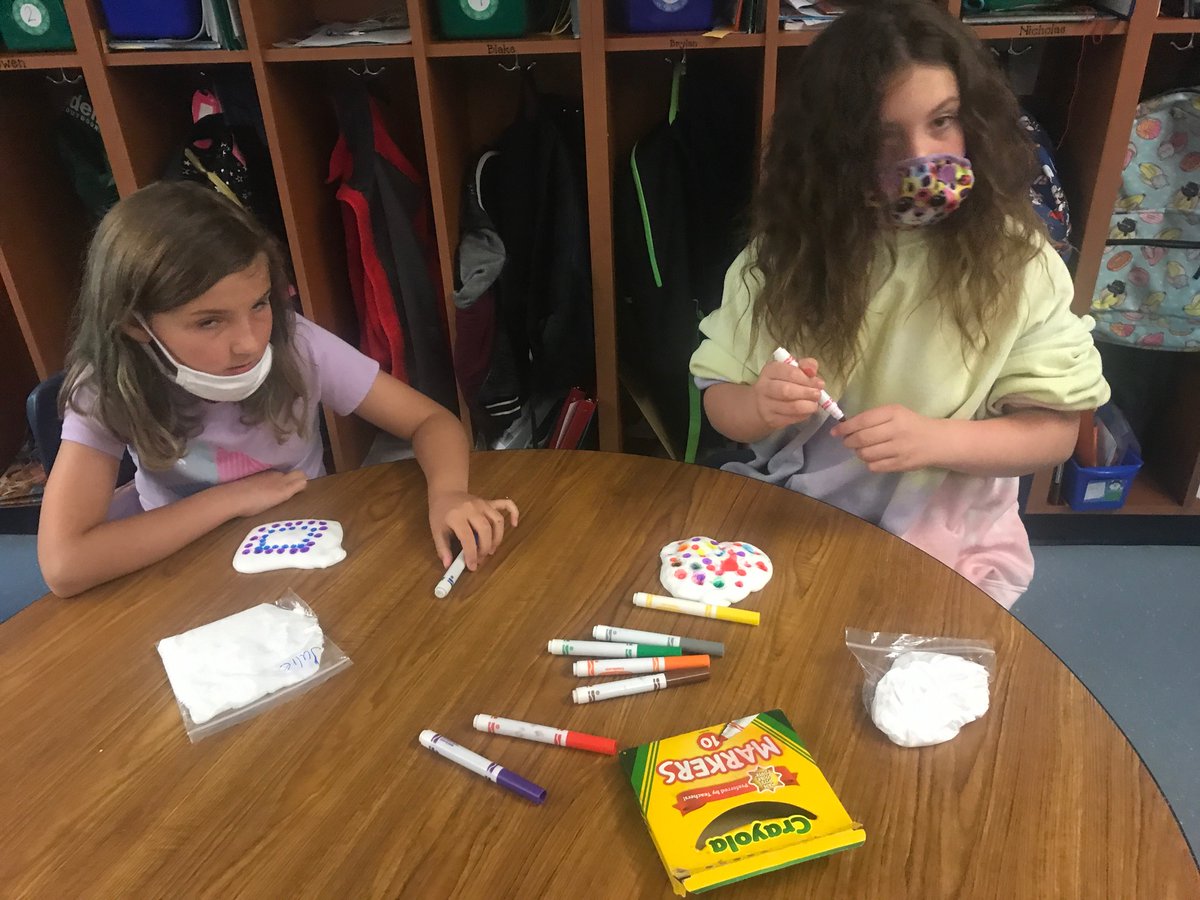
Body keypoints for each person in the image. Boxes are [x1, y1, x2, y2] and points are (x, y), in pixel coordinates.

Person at [690, 0, 1108, 607]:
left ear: (977, 123)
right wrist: (759, 405)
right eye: (884, 137)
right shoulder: (781, 258)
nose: (918, 158)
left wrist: (936, 441)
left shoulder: (1020, 263)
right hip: (803, 517)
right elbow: (719, 398)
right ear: (835, 149)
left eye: (942, 122)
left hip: (950, 538)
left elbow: (1053, 434)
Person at [38, 181, 516, 597]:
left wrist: (449, 493)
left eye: (260, 304)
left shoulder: (299, 346)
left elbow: (430, 420)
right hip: (182, 570)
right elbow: (64, 566)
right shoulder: (105, 387)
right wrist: (230, 500)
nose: (249, 342)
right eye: (208, 322)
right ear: (134, 325)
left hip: (306, 555)